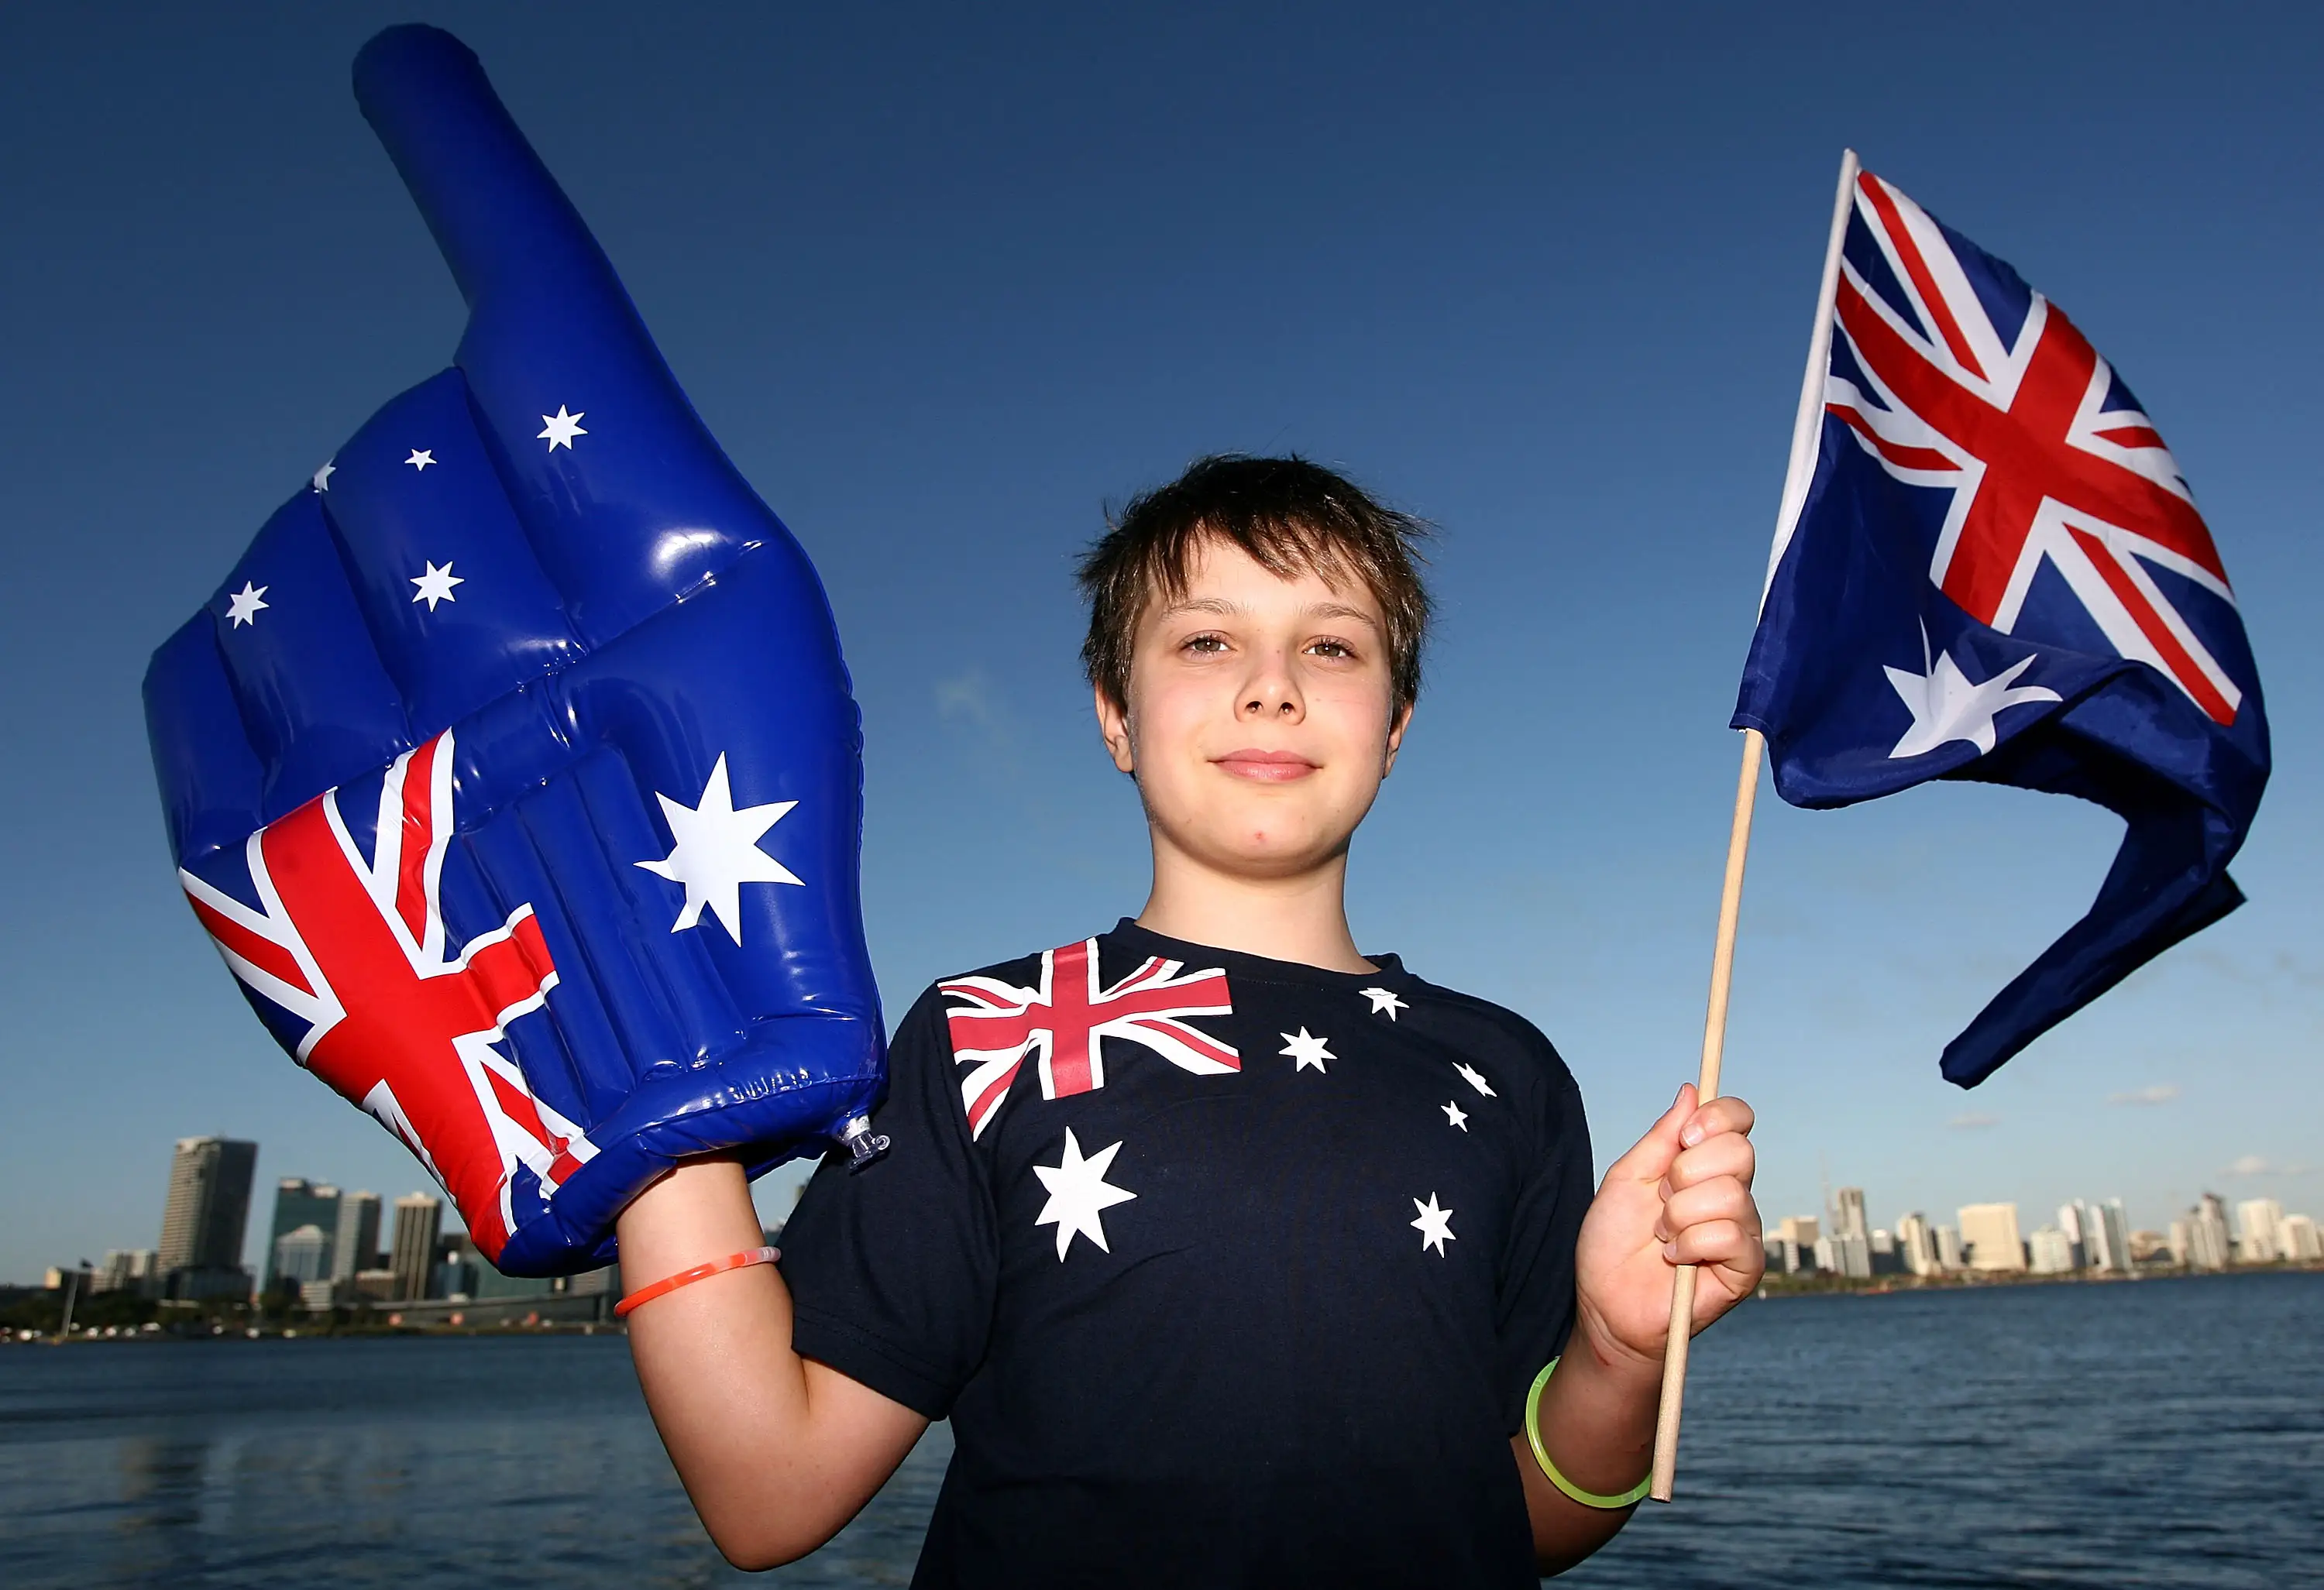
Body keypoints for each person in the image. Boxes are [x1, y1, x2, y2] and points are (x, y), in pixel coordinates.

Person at [617, 455, 1765, 1585]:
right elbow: (768, 1496)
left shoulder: (1505, 1069)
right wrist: (655, 1115)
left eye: (1331, 643)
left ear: (1397, 726)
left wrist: (1618, 1356)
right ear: (1116, 717)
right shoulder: (987, 1031)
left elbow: (1523, 1527)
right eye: (1208, 640)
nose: (1273, 684)